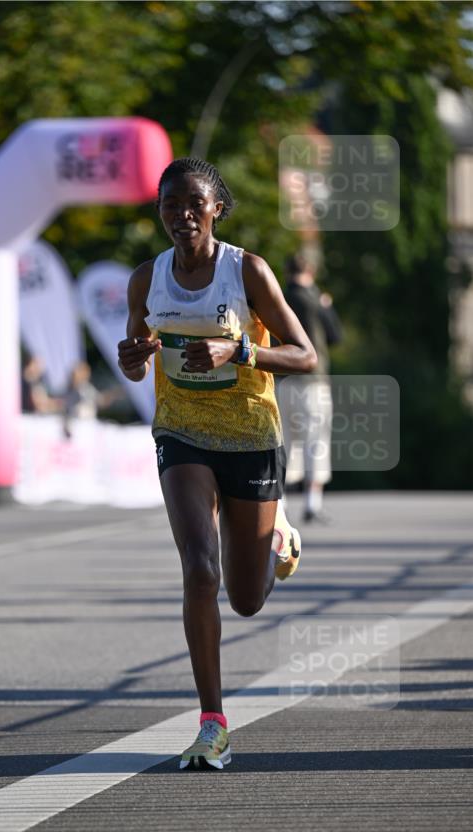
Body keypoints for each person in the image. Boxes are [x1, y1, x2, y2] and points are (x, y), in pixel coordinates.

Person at [117, 157, 317, 771]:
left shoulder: (246, 270)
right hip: (181, 435)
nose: (181, 216)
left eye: (193, 205)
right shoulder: (146, 279)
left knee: (248, 598)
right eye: (170, 205)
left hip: (252, 437)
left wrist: (241, 350)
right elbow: (134, 364)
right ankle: (212, 722)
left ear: (216, 210)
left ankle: (277, 528)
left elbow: (304, 355)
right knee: (200, 571)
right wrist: (133, 357)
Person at [280, 252, 343, 523]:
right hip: (312, 380)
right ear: (311, 271)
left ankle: (278, 506)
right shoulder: (315, 300)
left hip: (281, 378)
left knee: (282, 442)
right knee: (314, 442)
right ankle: (311, 503)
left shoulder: (278, 297)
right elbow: (335, 337)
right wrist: (327, 306)